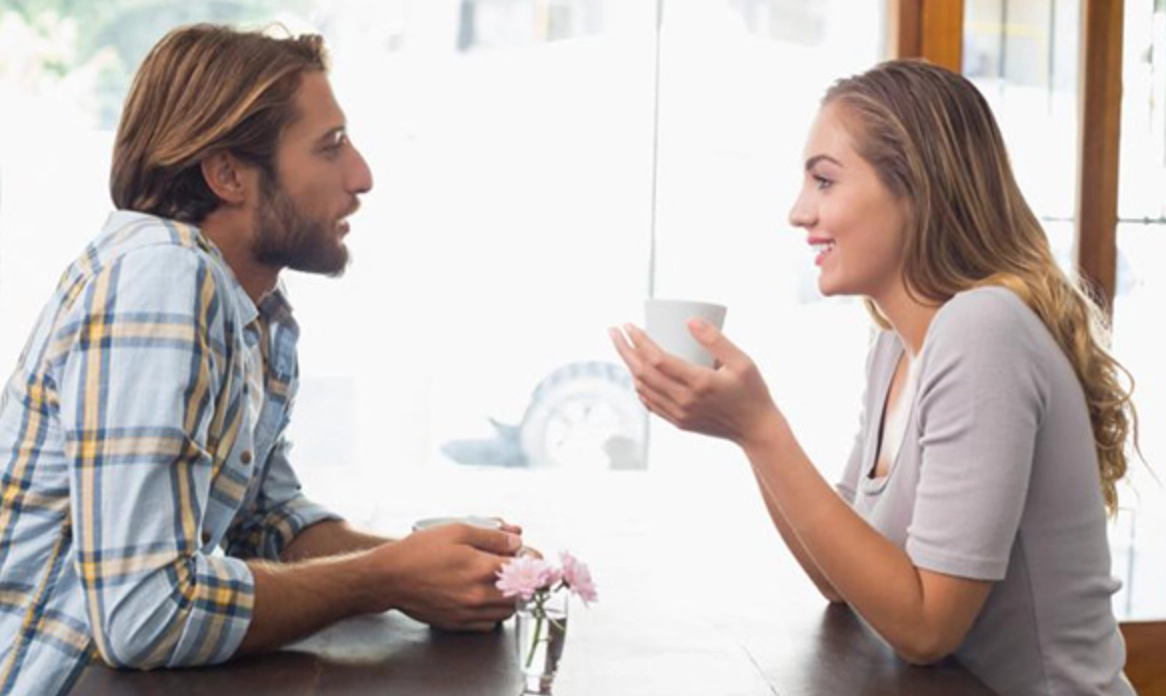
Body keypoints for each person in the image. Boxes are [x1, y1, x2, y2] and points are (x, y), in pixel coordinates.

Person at [0, 24, 524, 696]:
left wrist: (433, 567)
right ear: (227, 175)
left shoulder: (253, 315)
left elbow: (264, 522)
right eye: (329, 147)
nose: (361, 176)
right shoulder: (159, 277)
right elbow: (145, 614)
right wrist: (388, 577)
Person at [611, 59, 1138, 696]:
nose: (798, 213)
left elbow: (924, 628)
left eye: (824, 182)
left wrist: (762, 429)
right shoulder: (895, 348)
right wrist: (744, 431)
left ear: (914, 187)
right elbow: (839, 578)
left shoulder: (984, 328)